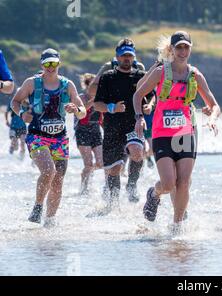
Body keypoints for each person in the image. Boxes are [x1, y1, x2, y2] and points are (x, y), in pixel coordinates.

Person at [133, 31, 220, 228]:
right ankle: (154, 194)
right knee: (168, 184)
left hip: (186, 133)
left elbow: (214, 105)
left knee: (183, 183)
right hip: (162, 133)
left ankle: (177, 227)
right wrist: (140, 118)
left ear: (190, 49)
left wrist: (213, 118)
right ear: (171, 50)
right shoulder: (160, 72)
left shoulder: (194, 75)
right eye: (178, 47)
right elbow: (138, 95)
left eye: (186, 47)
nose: (182, 51)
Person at [10, 48, 86, 227]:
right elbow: (15, 101)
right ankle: (37, 207)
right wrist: (21, 114)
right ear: (42, 64)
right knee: (48, 171)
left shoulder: (68, 85)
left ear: (59, 63)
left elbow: (82, 111)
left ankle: (50, 222)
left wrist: (76, 110)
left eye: (53, 63)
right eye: (47, 64)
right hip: (37, 136)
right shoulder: (31, 83)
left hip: (60, 139)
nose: (50, 67)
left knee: (58, 183)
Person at [93, 41, 150, 214]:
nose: (127, 59)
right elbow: (97, 105)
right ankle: (113, 202)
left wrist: (149, 106)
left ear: (134, 57)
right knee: (114, 169)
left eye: (130, 55)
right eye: (124, 55)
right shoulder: (108, 77)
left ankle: (132, 185)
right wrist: (112, 108)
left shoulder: (141, 76)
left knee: (137, 152)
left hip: (133, 125)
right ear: (117, 57)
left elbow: (152, 95)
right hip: (112, 128)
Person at [75, 73, 103, 195]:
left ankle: (87, 172)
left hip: (96, 130)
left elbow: (102, 116)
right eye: (92, 84)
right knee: (88, 163)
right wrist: (93, 100)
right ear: (86, 85)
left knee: (100, 163)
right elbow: (83, 110)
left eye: (96, 85)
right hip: (82, 131)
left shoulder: (100, 98)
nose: (95, 87)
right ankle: (84, 188)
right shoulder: (81, 97)